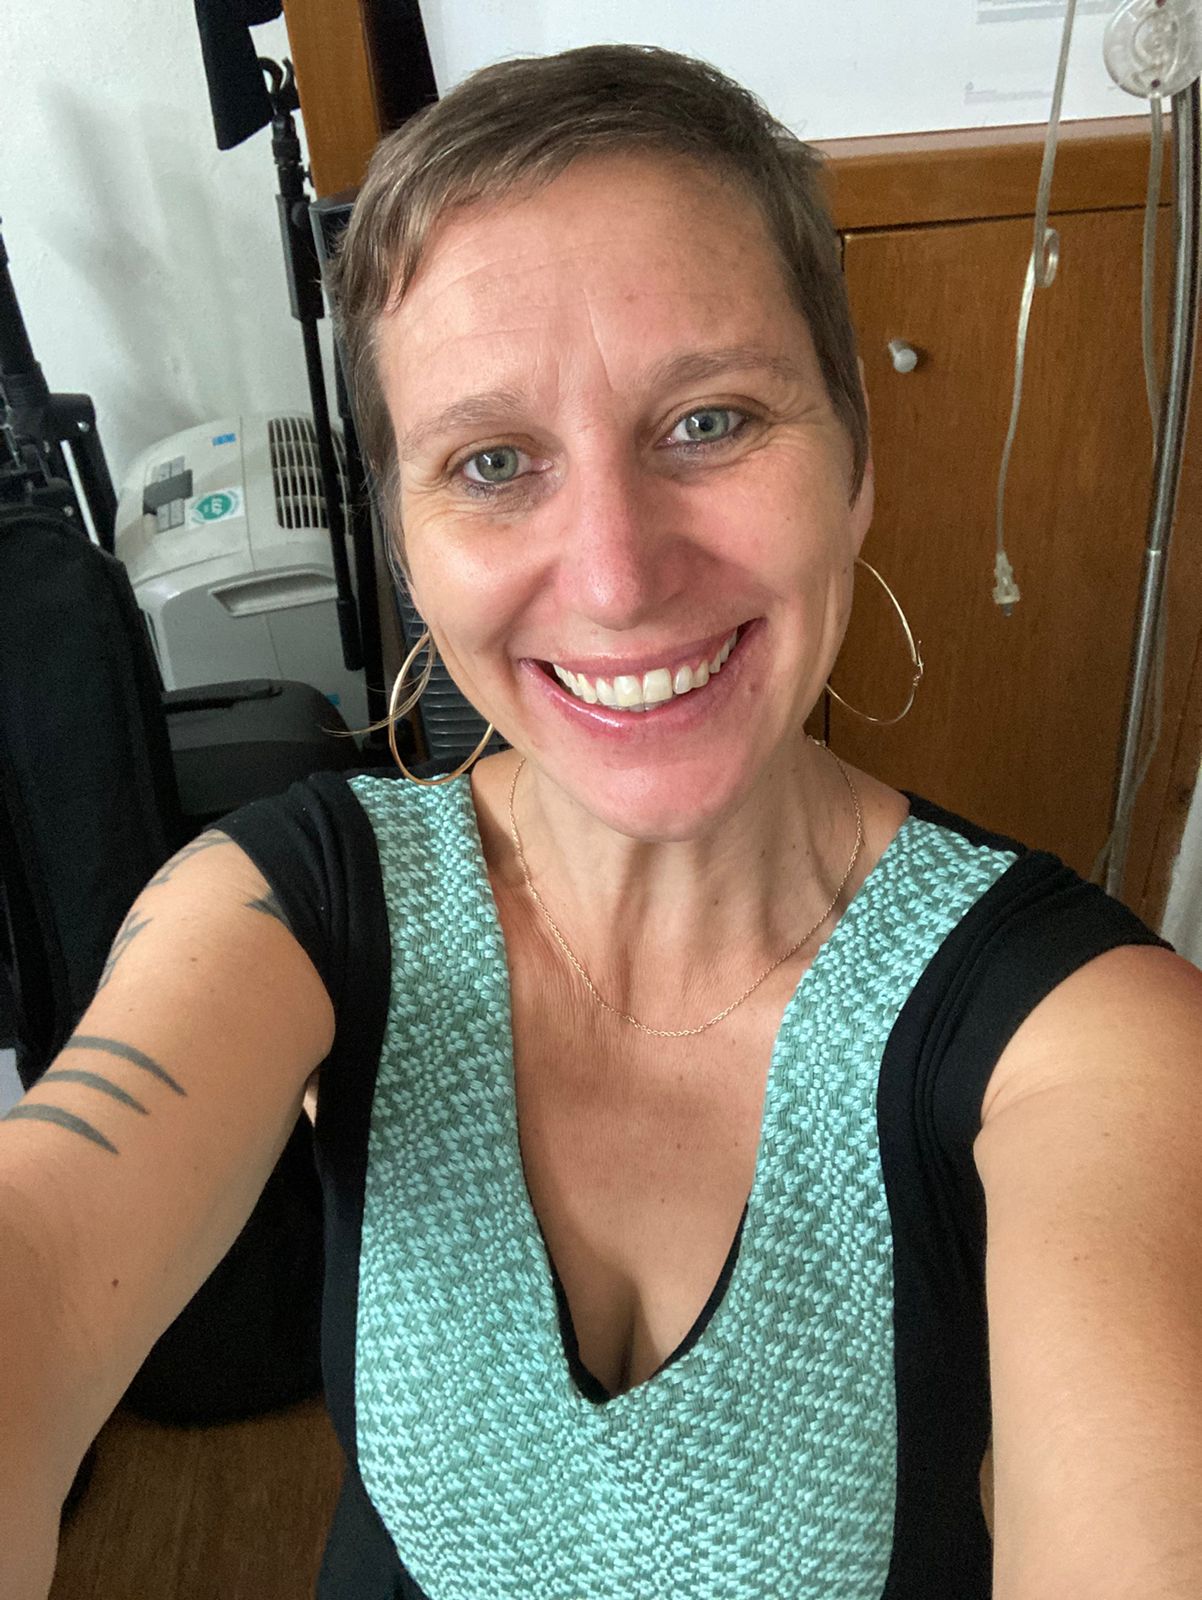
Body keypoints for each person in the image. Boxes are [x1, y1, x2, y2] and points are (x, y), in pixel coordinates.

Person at [3, 42, 1202, 1600]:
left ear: (853, 462)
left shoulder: (1091, 1038)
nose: (619, 576)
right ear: (408, 545)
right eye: (492, 463)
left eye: (707, 421)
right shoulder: (280, 908)